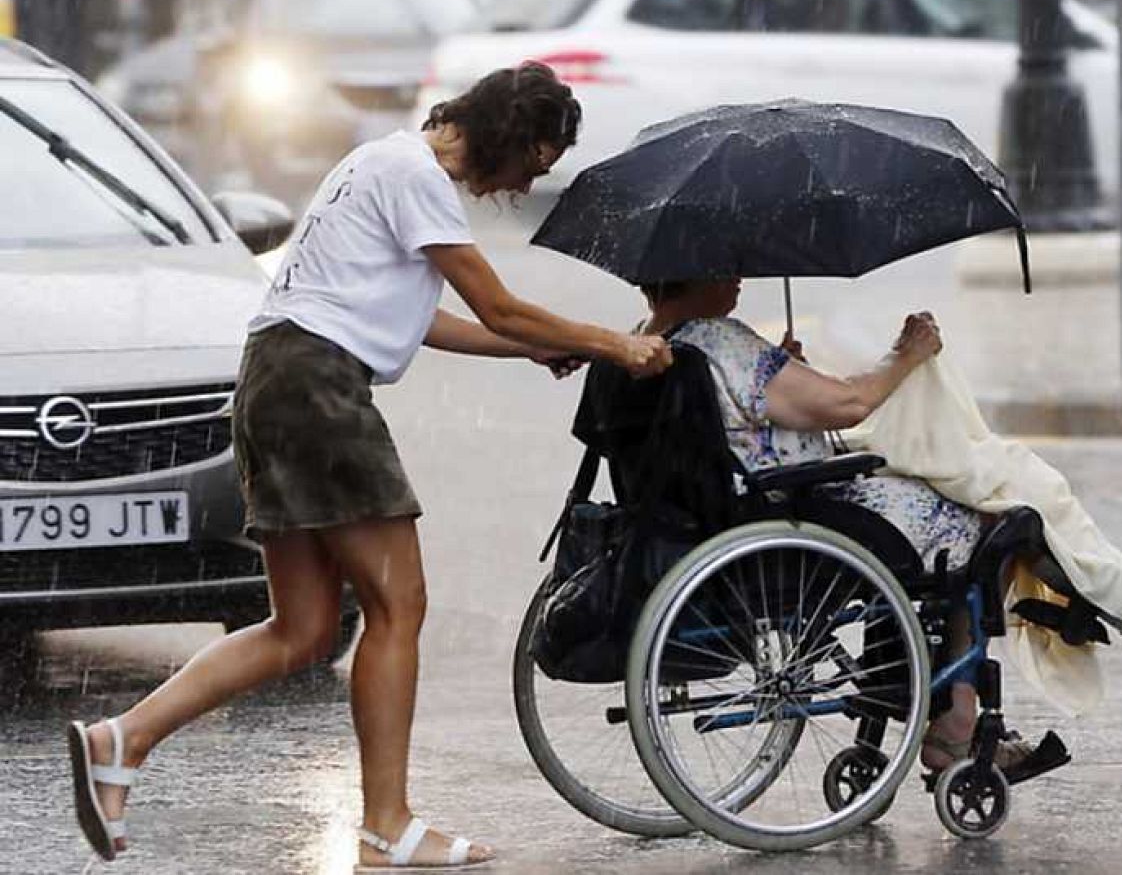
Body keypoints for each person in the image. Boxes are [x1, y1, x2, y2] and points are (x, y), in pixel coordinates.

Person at [66, 63, 672, 870]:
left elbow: (430, 321)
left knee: (304, 628)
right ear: (504, 138)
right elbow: (498, 304)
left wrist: (541, 349)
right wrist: (611, 341)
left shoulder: (378, 163)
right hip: (317, 389)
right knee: (400, 605)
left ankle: (121, 738)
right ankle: (388, 825)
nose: (526, 183)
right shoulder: (415, 174)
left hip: (277, 380)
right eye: (532, 163)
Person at [637, 278, 1122, 773]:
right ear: (695, 269)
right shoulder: (719, 341)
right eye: (728, 264)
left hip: (768, 508)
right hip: (801, 513)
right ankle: (961, 722)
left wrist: (791, 372)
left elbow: (773, 415)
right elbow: (846, 405)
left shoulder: (648, 346)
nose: (739, 274)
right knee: (998, 512)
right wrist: (908, 354)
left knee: (992, 478)